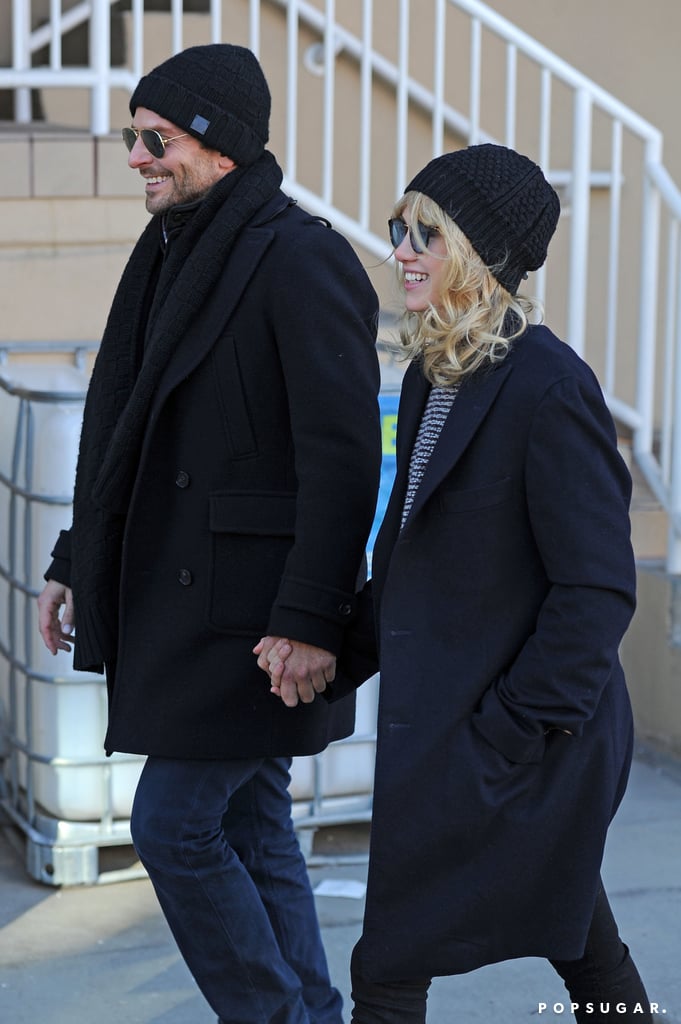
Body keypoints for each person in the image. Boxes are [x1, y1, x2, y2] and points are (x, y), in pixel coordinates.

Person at [259, 144, 652, 1023]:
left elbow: (594, 593)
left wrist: (505, 734)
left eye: (424, 234)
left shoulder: (549, 387)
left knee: (392, 968)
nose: (399, 249)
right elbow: (411, 565)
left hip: (522, 746)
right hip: (467, 741)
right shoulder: (432, 376)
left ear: (481, 255)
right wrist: (327, 650)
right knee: (582, 949)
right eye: (400, 229)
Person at [36, 44, 382, 1024]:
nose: (138, 157)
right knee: (250, 819)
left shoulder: (299, 256)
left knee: (175, 825)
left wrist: (313, 616)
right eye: (132, 138)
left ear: (219, 142)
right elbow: (129, 431)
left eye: (156, 138)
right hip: (193, 610)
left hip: (257, 621)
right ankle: (311, 1012)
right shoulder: (173, 250)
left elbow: (343, 458)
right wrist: (75, 558)